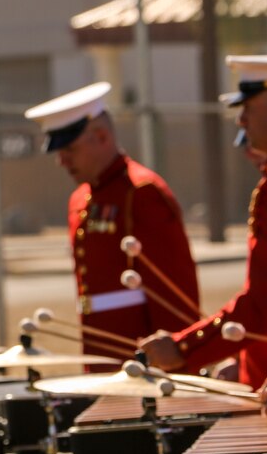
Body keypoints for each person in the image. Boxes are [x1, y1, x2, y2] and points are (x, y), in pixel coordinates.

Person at [139, 54, 267, 389]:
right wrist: (241, 359)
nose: (241, 121)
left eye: (247, 108)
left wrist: (184, 348)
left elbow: (265, 303)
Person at [25, 82, 201, 371]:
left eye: (70, 148)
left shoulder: (141, 192)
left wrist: (179, 359)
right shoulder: (81, 198)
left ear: (102, 136)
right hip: (101, 353)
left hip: (144, 359)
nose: (61, 160)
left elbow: (174, 293)